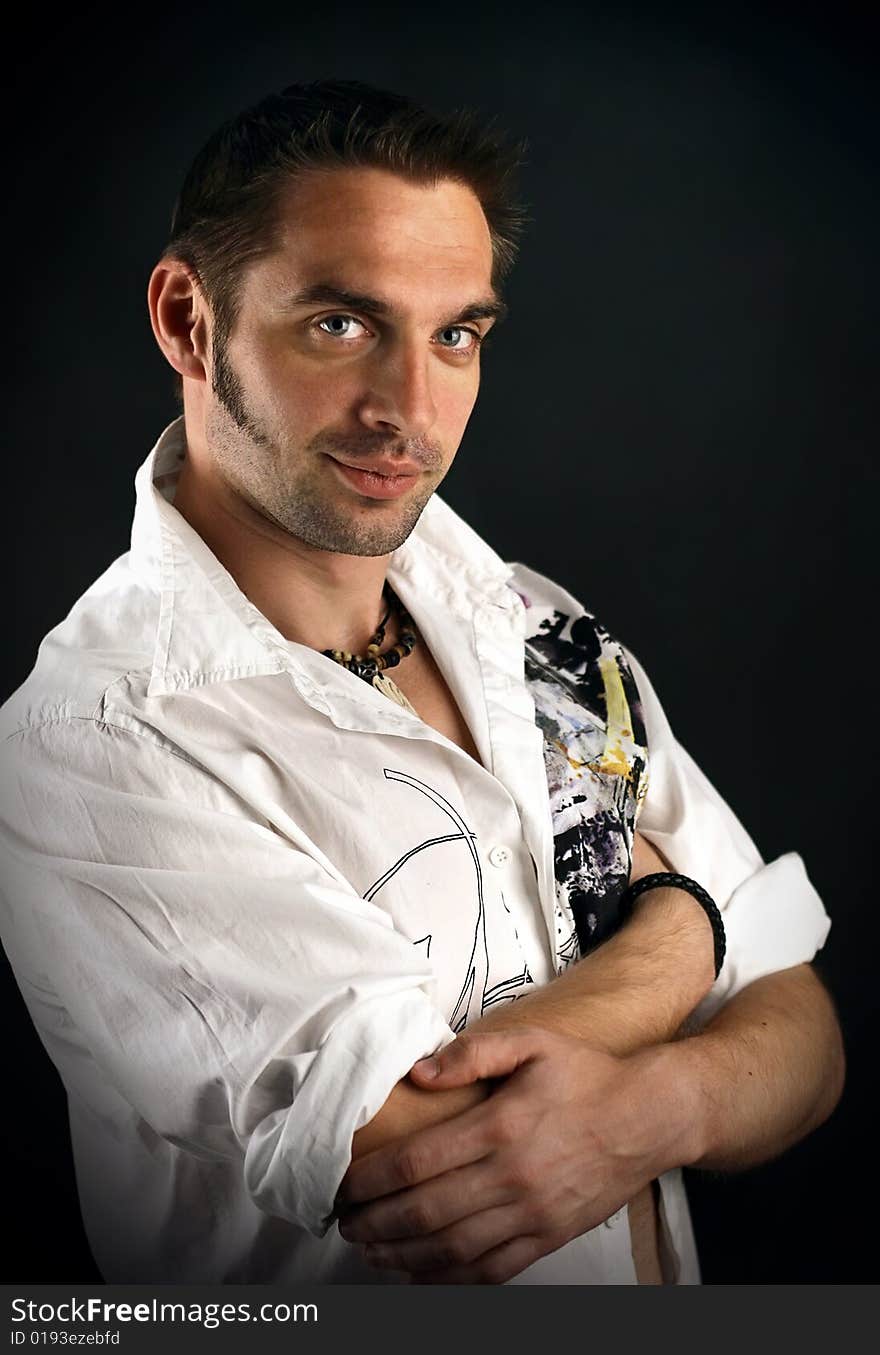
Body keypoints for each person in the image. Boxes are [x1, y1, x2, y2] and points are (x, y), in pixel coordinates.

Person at [0, 79, 842, 1286]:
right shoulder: (93, 739)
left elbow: (803, 1030)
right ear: (190, 320)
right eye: (341, 324)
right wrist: (683, 931)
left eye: (456, 334)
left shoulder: (536, 631)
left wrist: (664, 1106)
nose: (409, 408)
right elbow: (425, 1162)